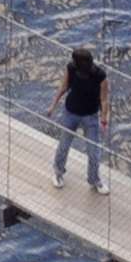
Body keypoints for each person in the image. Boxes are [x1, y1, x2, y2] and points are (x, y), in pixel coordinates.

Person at [53, 48, 110, 193]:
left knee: (93, 151)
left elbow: (104, 99)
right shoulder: (71, 68)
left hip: (90, 115)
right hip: (70, 112)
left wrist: (103, 119)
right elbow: (64, 86)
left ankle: (94, 180)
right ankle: (58, 173)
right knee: (64, 145)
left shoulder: (100, 76)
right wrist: (53, 104)